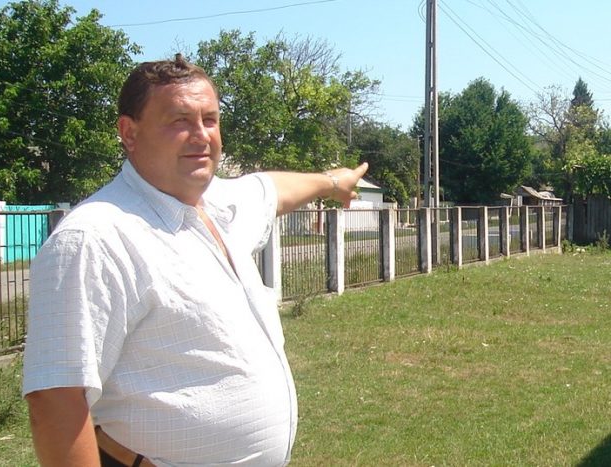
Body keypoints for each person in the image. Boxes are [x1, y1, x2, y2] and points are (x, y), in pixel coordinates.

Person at [22, 54, 368, 467]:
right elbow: (56, 401)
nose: (201, 135)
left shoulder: (218, 203)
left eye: (210, 119)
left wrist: (332, 182)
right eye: (180, 120)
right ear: (129, 132)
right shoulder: (95, 237)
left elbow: (272, 189)